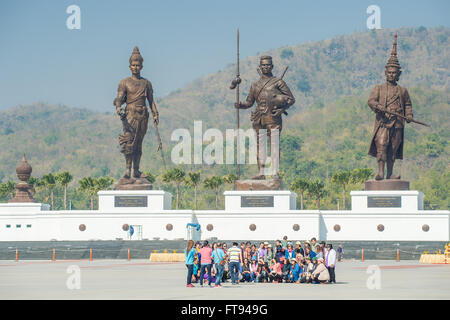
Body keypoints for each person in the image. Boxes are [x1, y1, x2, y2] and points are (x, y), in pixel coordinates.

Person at [234, 55, 295, 179]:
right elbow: (249, 102)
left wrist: (281, 109)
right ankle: (261, 173)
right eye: (263, 65)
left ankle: (274, 173)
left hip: (273, 118)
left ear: (272, 66)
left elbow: (291, 99)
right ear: (260, 67)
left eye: (268, 65)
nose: (265, 67)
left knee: (274, 145)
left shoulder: (278, 82)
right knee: (260, 146)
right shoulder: (255, 85)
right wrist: (240, 105)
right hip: (259, 118)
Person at [368, 34, 413, 180]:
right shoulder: (379, 88)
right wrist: (379, 106)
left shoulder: (403, 90)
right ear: (385, 73)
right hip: (383, 122)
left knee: (393, 149)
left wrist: (409, 115)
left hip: (398, 123)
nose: (392, 75)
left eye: (394, 73)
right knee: (382, 145)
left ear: (398, 74)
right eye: (389, 72)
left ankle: (390, 173)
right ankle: (381, 173)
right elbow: (371, 101)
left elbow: (407, 104)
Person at [114, 46, 159, 179]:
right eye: (133, 65)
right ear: (129, 66)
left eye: (138, 65)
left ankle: (136, 170)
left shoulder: (146, 83)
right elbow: (119, 98)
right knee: (129, 142)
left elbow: (151, 101)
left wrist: (156, 113)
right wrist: (118, 107)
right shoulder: (124, 83)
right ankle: (127, 170)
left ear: (141, 66)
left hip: (143, 116)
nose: (135, 67)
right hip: (130, 115)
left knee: (138, 143)